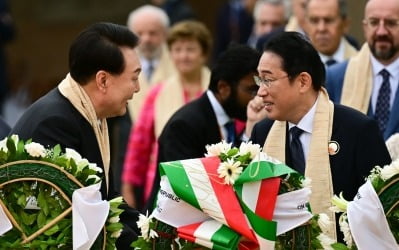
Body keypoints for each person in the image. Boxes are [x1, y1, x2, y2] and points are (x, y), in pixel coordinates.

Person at [10, 22, 141, 248]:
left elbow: (106, 199)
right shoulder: (55, 123)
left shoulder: (89, 113)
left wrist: (155, 233)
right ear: (103, 80)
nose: (137, 88)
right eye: (134, 78)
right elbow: (72, 220)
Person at [250, 31, 391, 242]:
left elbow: (385, 213)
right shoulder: (262, 133)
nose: (260, 92)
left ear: (303, 82)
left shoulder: (357, 131)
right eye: (259, 80)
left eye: (268, 80)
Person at [144, 44, 261, 213]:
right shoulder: (184, 125)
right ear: (223, 88)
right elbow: (185, 190)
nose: (257, 97)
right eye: (251, 90)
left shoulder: (232, 119)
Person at [122, 20, 212, 210]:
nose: (183, 56)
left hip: (211, 183)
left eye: (190, 49)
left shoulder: (217, 90)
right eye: (177, 50)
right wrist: (128, 187)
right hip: (164, 182)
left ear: (203, 53)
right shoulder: (158, 93)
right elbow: (140, 143)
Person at [326, 0, 399, 141]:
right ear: (365, 27)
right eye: (374, 22)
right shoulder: (336, 77)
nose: (382, 31)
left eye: (391, 23)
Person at [126, 5, 176, 122]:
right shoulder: (120, 63)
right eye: (139, 33)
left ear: (165, 34)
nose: (146, 39)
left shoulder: (179, 61)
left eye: (152, 33)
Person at [304, 0, 358, 67]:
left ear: (345, 24)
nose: (321, 28)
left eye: (328, 20)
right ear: (305, 25)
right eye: (315, 21)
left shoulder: (361, 65)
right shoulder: (296, 67)